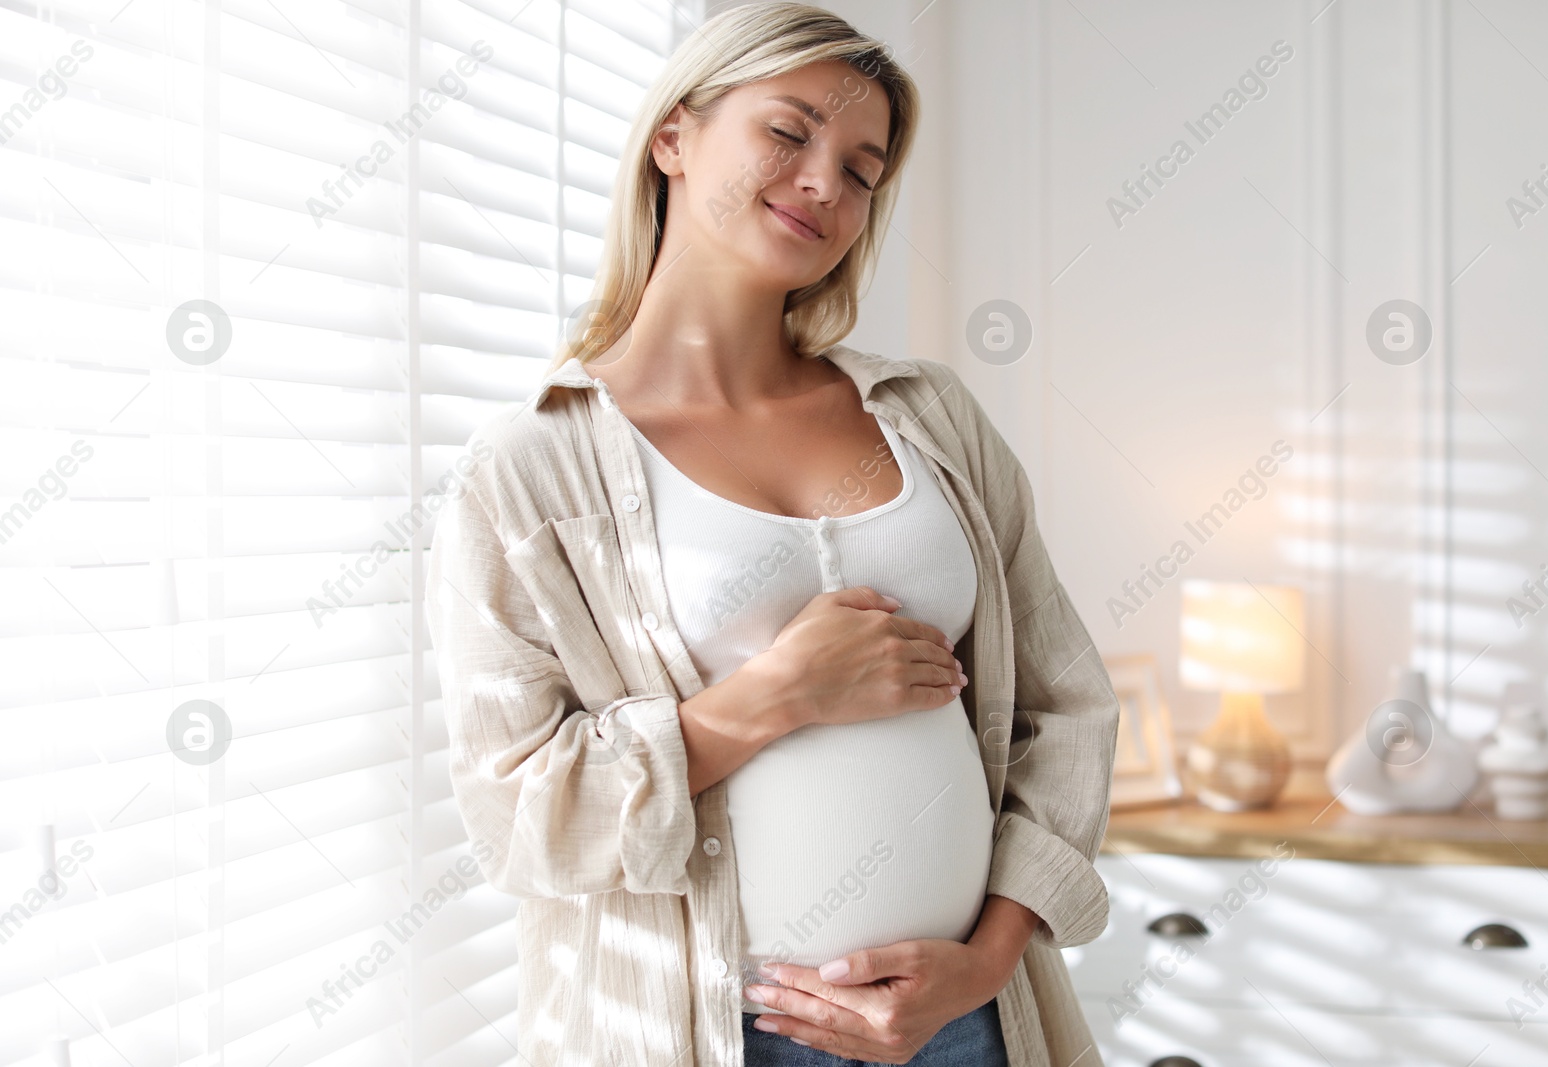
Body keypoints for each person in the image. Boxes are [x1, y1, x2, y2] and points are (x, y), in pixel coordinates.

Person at [424, 4, 1121, 1065]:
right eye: (788, 133)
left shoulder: (929, 418)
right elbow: (518, 815)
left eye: (861, 168)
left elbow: (1067, 709)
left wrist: (984, 960)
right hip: (700, 1031)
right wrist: (775, 693)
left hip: (961, 1016)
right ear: (674, 135)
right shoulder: (528, 468)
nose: (823, 185)